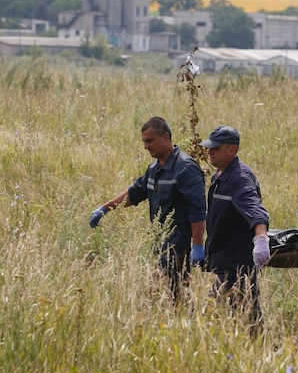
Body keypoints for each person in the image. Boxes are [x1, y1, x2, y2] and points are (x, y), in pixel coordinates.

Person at [89, 116, 207, 303]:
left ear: (166, 137)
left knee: (157, 297)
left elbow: (197, 212)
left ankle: (185, 325)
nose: (146, 146)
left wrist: (198, 246)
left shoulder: (185, 168)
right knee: (173, 298)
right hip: (160, 245)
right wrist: (104, 209)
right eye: (144, 142)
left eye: (150, 141)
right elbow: (134, 193)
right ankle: (184, 326)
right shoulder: (154, 169)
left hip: (178, 247)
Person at [199, 126, 270, 329]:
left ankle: (264, 355)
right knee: (244, 321)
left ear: (232, 150)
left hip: (238, 268)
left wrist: (261, 240)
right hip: (224, 264)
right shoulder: (220, 177)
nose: (209, 151)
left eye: (215, 147)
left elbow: (256, 210)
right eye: (209, 147)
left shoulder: (240, 179)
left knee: (245, 322)